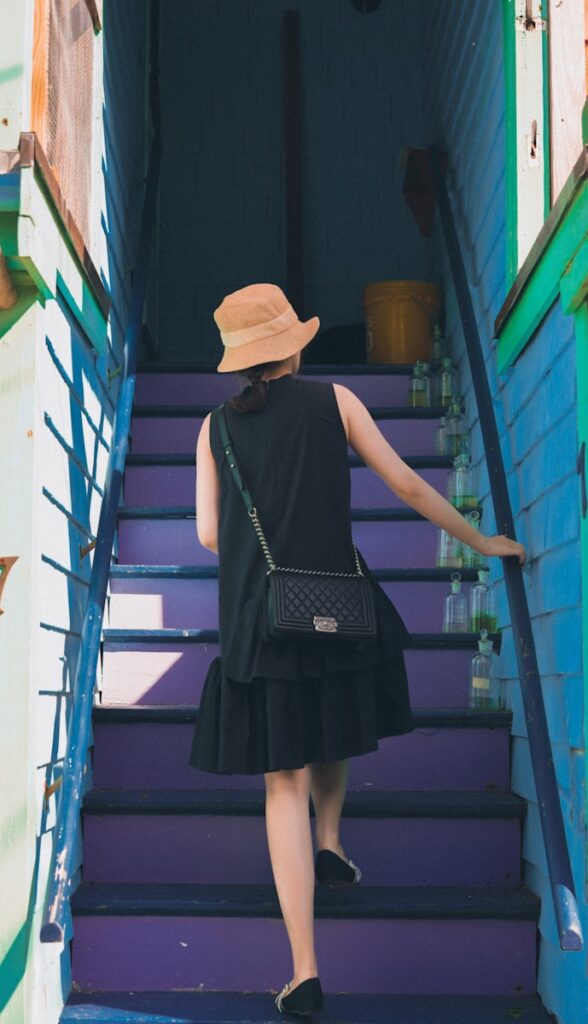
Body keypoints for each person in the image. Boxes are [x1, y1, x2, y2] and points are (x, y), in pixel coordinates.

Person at [188, 282, 526, 1017]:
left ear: (239, 359)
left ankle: (304, 969)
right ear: (293, 346)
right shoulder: (335, 401)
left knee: (283, 784)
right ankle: (333, 840)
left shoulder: (214, 429)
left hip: (258, 615)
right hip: (335, 599)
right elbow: (405, 485)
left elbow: (210, 535)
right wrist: (481, 541)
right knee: (334, 717)